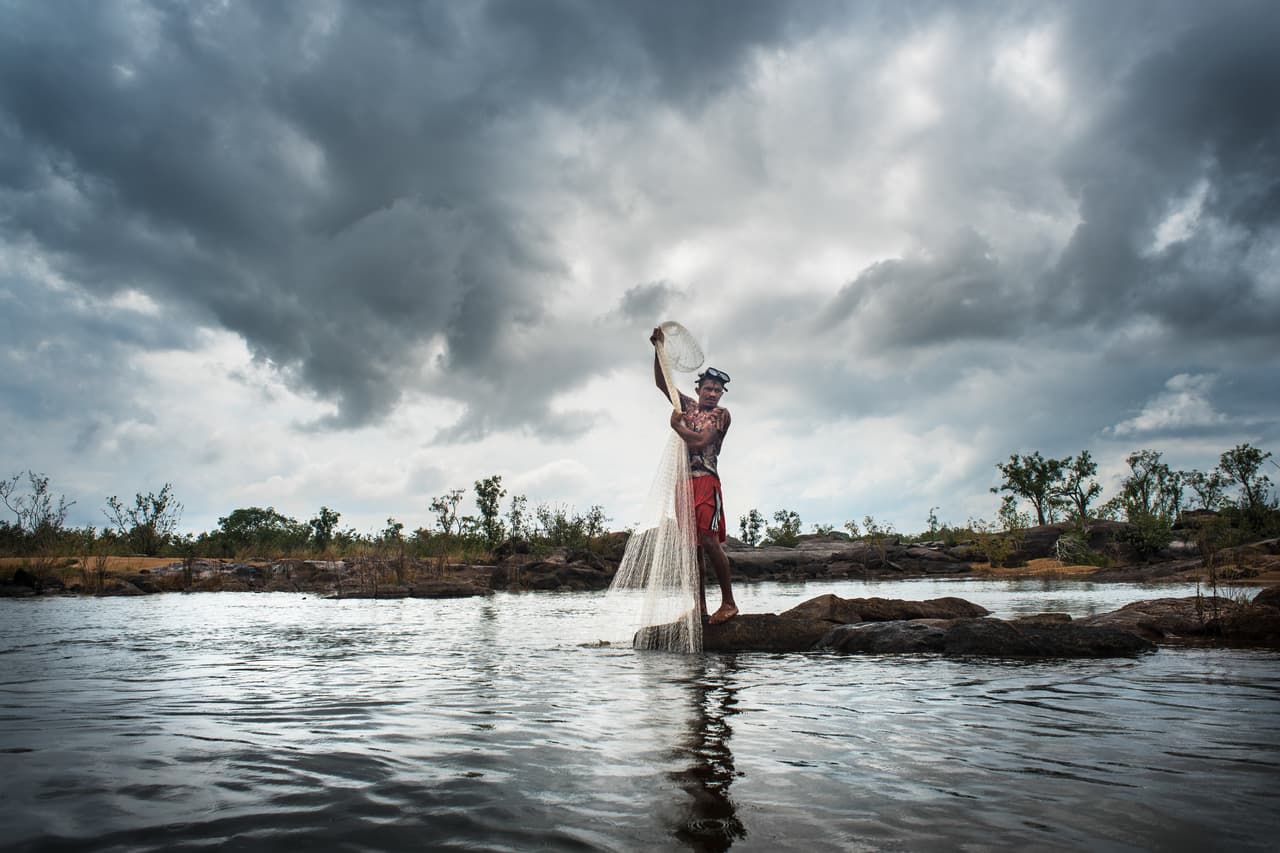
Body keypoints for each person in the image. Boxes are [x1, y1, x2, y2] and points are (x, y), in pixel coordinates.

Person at [650, 327, 739, 625]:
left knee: (709, 540)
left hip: (705, 481)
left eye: (717, 390)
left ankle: (728, 603)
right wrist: (658, 348)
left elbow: (701, 442)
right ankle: (699, 606)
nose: (712, 394)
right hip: (683, 483)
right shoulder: (687, 406)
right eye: (708, 389)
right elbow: (663, 383)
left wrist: (677, 427)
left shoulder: (720, 415)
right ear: (699, 389)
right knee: (691, 549)